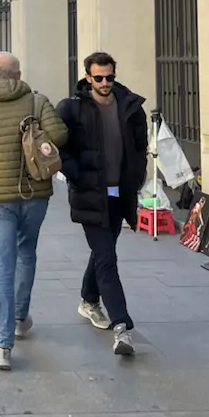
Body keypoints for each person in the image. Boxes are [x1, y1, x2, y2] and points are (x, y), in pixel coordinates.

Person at [0, 51, 67, 371]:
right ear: (18, 75)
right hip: (36, 192)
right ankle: (20, 317)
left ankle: (2, 344)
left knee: (2, 266)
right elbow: (60, 135)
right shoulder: (37, 101)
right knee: (27, 252)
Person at [57, 51, 148, 358]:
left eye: (110, 77)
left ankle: (88, 299)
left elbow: (140, 147)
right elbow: (60, 146)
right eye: (99, 78)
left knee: (102, 251)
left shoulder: (130, 107)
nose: (105, 83)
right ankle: (122, 327)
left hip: (120, 194)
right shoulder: (73, 108)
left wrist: (137, 177)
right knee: (107, 258)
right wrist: (74, 171)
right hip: (89, 193)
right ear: (88, 77)